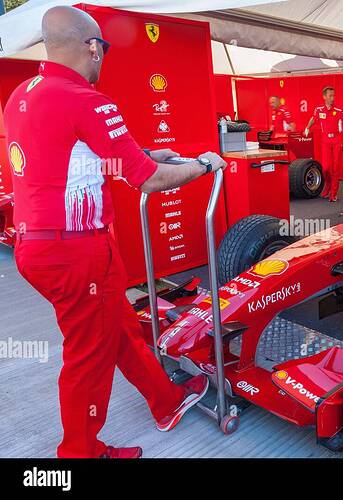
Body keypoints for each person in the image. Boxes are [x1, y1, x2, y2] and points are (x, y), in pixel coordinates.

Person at [3, 6, 227, 458]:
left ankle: (166, 402)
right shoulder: (86, 98)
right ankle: (80, 453)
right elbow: (149, 181)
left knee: (119, 326)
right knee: (87, 357)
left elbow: (69, 155)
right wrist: (202, 165)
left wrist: (148, 151)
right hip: (76, 251)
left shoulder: (22, 93)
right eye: (102, 48)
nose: (102, 58)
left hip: (37, 245)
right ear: (91, 47)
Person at [304, 87, 343, 202]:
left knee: (335, 168)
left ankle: (333, 193)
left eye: (333, 95)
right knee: (325, 168)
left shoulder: (339, 110)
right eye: (330, 96)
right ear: (324, 97)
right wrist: (307, 127)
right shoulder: (319, 109)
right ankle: (328, 185)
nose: (332, 98)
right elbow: (313, 119)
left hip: (337, 140)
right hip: (325, 140)